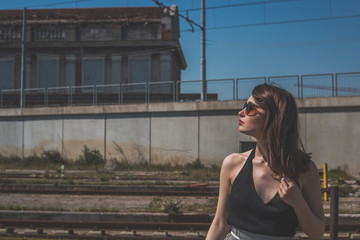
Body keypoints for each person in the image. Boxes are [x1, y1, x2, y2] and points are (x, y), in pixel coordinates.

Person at [206, 83, 325, 240]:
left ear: (275, 118)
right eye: (244, 106)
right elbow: (220, 223)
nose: (241, 112)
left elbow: (317, 233)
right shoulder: (232, 163)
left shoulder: (304, 169)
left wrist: (299, 203)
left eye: (250, 108)